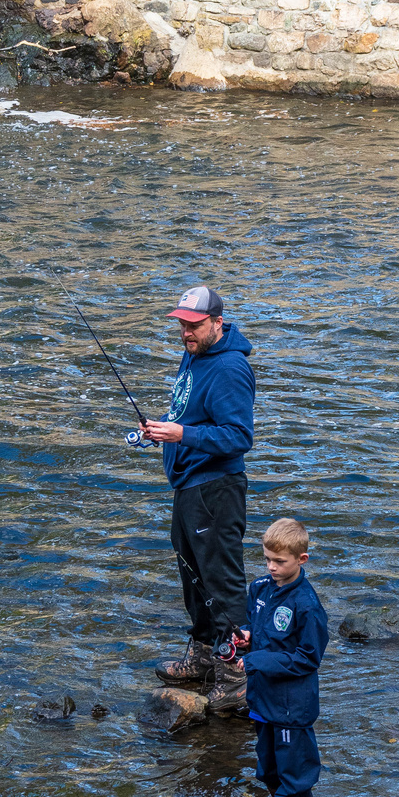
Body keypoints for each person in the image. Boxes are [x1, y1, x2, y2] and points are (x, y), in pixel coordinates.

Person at [140, 285, 255, 713]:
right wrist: (159, 431)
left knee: (220, 581)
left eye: (194, 325)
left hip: (216, 491)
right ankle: (205, 654)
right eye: (182, 325)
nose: (186, 332)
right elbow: (188, 412)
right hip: (188, 486)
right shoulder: (195, 354)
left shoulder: (229, 369)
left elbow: (239, 437)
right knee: (192, 574)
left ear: (217, 324)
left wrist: (181, 434)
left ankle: (235, 674)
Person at [235, 518, 328, 797]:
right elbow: (259, 628)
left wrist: (258, 659)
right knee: (269, 769)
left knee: (295, 774)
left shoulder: (307, 607)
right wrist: (247, 638)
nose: (271, 567)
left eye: (279, 561)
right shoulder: (259, 588)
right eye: (266, 559)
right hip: (263, 699)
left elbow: (308, 659)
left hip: (292, 706)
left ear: (301, 559)